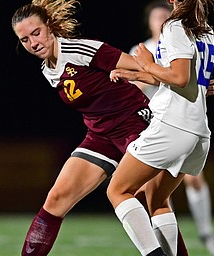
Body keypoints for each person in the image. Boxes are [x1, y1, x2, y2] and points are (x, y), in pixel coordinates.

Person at [11, 0, 191, 255]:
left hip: (135, 124)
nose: (33, 43)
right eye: (25, 39)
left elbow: (146, 70)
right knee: (56, 199)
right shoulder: (47, 69)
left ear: (50, 27)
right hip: (101, 135)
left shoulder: (80, 49)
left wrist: (191, 86)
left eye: (36, 33)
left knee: (150, 198)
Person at [107, 0, 214, 255]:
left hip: (173, 125)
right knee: (157, 201)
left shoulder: (175, 25)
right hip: (198, 132)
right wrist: (135, 75)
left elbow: (179, 77)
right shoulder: (204, 28)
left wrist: (145, 63)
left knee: (118, 190)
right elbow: (181, 79)